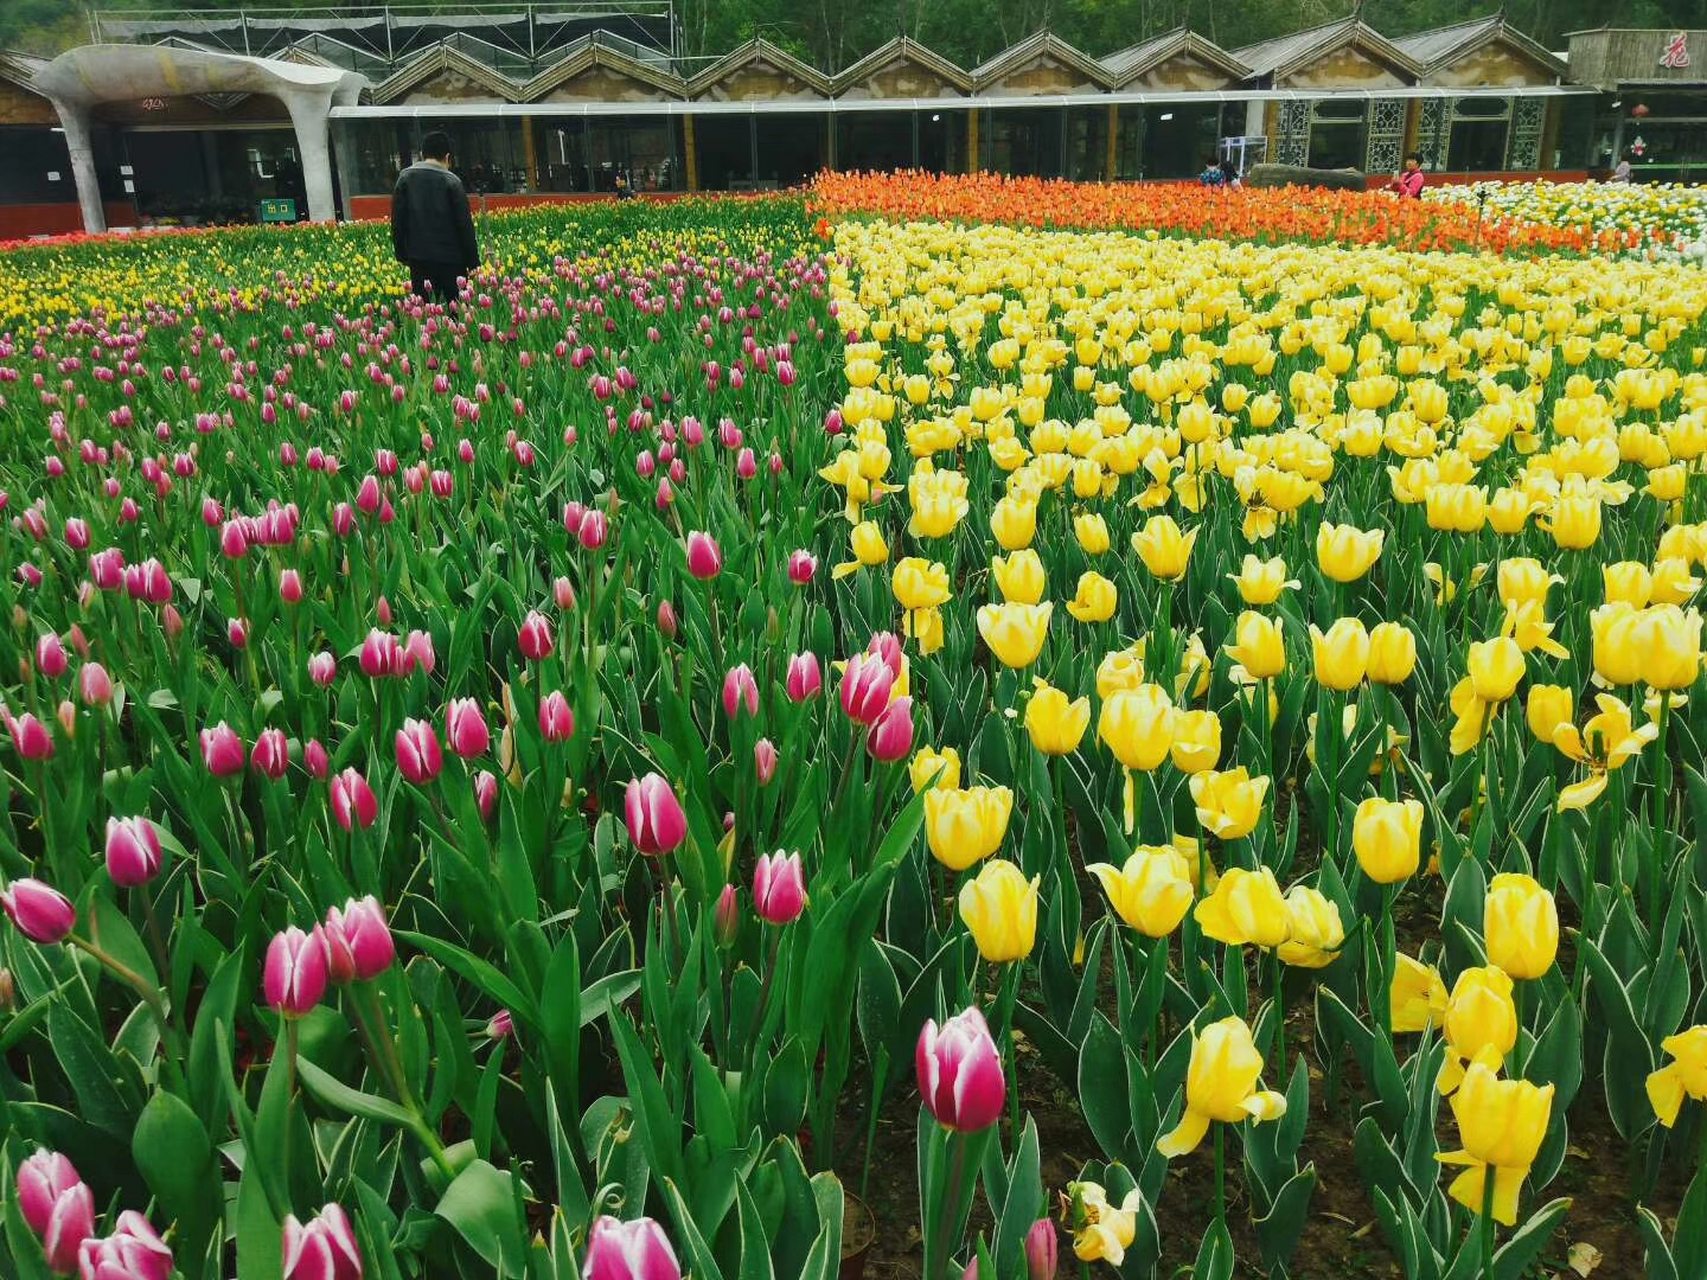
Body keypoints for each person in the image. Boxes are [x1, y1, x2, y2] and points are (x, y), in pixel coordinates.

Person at [390, 131, 480, 304]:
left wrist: (402, 254)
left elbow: (397, 222)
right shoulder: (452, 181)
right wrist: (473, 261)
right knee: (457, 314)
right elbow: (464, 225)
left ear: (423, 154)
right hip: (452, 260)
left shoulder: (405, 178)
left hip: (419, 260)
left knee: (425, 314)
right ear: (447, 157)